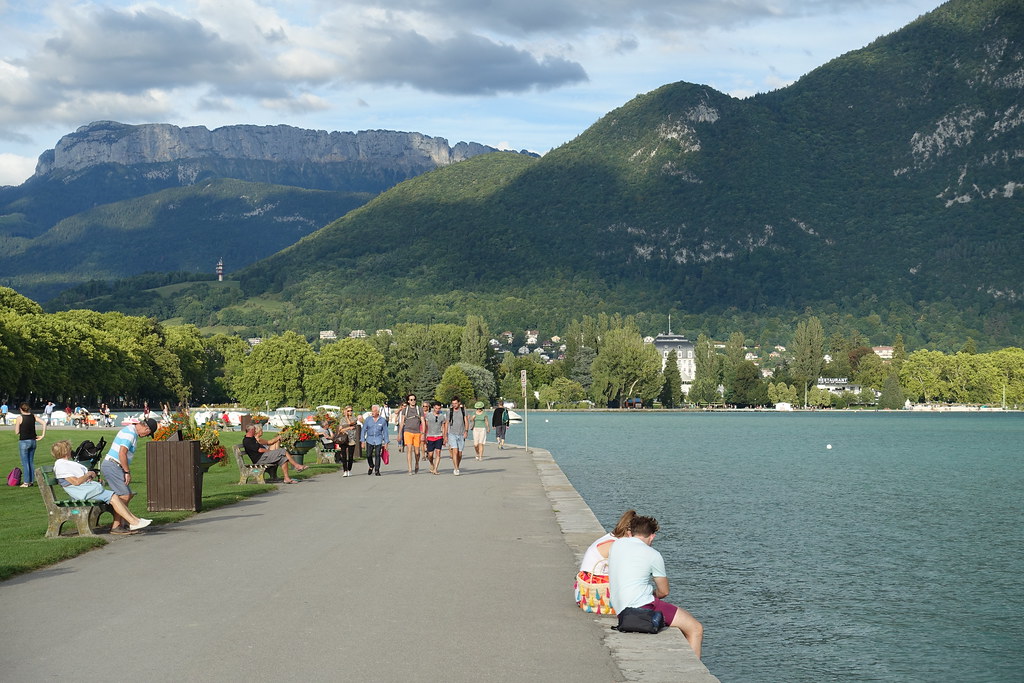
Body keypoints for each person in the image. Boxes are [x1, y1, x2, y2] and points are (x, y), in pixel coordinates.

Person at [608, 515, 703, 659]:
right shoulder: (653, 554)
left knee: (683, 615)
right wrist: (653, 594)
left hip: (620, 608)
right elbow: (664, 591)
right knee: (695, 628)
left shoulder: (616, 545)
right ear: (652, 537)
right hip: (642, 607)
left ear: (629, 533)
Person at [50, 440, 152, 534]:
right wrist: (87, 474)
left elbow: (78, 479)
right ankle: (133, 522)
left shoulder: (64, 464)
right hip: (81, 492)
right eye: (69, 448)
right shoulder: (61, 466)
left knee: (114, 496)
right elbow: (76, 482)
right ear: (65, 451)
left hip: (84, 490)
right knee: (113, 497)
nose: (70, 450)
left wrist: (90, 475)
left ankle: (134, 521)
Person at [100, 418, 158, 533]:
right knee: (125, 495)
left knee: (126, 495)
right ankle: (117, 526)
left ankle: (123, 523)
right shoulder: (130, 434)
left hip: (115, 465)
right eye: (148, 434)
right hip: (113, 465)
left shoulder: (131, 431)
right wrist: (127, 472)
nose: (146, 436)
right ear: (146, 428)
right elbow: (122, 453)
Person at [575, 510, 636, 613]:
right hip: (593, 593)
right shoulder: (615, 545)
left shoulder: (610, 537)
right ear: (630, 532)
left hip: (583, 591)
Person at [242, 424, 308, 484]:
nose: (255, 431)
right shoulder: (247, 440)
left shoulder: (252, 438)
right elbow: (260, 450)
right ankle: (297, 466)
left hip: (264, 456)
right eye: (254, 429)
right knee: (282, 451)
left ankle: (287, 478)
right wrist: (269, 451)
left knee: (283, 459)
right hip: (260, 459)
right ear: (251, 430)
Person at [14, 403, 46, 487]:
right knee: (31, 462)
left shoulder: (19, 418)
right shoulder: (33, 416)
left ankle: (26, 482)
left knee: (25, 462)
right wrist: (42, 435)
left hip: (24, 441)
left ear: (21, 409)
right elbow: (44, 423)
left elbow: (17, 432)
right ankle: (31, 481)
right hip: (33, 441)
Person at [398, 394, 425, 474]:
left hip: (417, 432)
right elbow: (402, 422)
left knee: (417, 452)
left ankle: (417, 463)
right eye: (411, 400)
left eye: (414, 399)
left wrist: (423, 433)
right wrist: (399, 433)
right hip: (407, 431)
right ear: (408, 401)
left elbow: (423, 421)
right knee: (409, 449)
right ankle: (410, 468)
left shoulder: (419, 409)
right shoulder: (405, 410)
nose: (413, 401)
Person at [361, 404, 389, 476]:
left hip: (378, 439)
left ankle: (377, 470)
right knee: (368, 455)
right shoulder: (368, 420)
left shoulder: (382, 420)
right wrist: (362, 441)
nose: (372, 413)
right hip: (369, 439)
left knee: (377, 455)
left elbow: (385, 432)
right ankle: (371, 465)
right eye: (372, 411)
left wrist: (386, 442)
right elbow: (363, 430)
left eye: (374, 411)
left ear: (378, 412)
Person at [334, 406, 361, 477]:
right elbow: (340, 430)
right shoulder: (342, 419)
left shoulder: (354, 418)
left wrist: (347, 421)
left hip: (352, 439)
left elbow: (351, 424)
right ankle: (345, 470)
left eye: (351, 410)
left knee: (351, 455)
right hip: (344, 439)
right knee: (344, 455)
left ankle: (349, 469)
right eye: (348, 411)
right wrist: (348, 428)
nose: (350, 412)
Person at [423, 401, 447, 475]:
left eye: (439, 408)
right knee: (430, 455)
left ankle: (435, 469)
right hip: (430, 436)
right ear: (433, 408)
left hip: (439, 436)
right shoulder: (428, 415)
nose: (437, 410)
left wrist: (444, 437)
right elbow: (426, 426)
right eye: (436, 408)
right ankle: (432, 464)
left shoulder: (442, 416)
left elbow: (443, 427)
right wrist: (424, 435)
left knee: (438, 453)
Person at [447, 396, 468, 476]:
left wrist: (466, 431)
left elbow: (466, 421)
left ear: (459, 403)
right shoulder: (450, 411)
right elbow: (446, 423)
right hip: (452, 433)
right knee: (455, 451)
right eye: (453, 404)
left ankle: (457, 466)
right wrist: (445, 435)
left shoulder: (463, 411)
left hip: (461, 433)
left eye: (455, 403)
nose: (454, 405)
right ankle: (456, 468)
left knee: (460, 453)